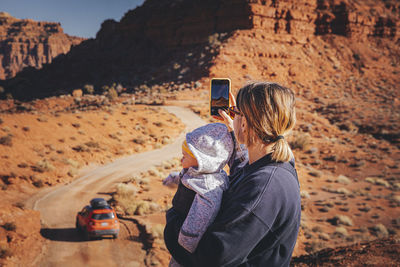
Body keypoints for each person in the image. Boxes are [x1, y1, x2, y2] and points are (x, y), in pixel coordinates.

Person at [164, 81, 301, 266]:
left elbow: (212, 257)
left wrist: (174, 220)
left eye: (236, 113)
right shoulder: (271, 168)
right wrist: (234, 128)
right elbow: (241, 169)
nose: (233, 117)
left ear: (244, 123)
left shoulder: (263, 185)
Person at [163, 123, 234, 267]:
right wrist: (173, 178)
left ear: (202, 159)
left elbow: (204, 212)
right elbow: (187, 178)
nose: (181, 160)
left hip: (185, 246)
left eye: (184, 156)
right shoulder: (198, 173)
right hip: (178, 226)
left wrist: (184, 241)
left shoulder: (208, 187)